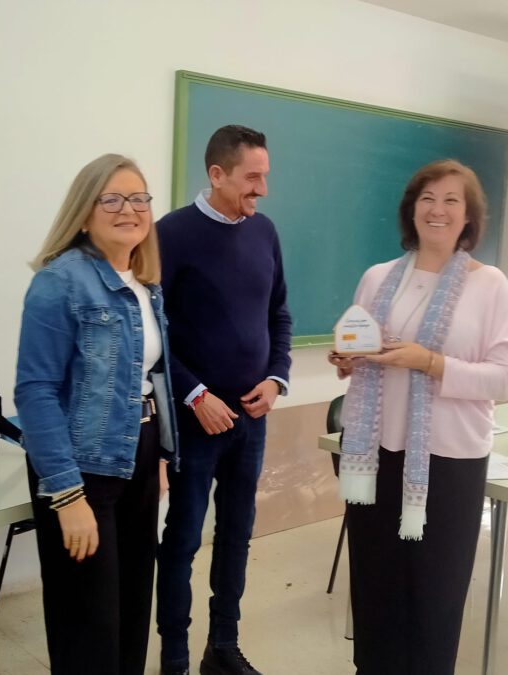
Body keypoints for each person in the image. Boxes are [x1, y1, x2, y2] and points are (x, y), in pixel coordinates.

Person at [329, 159, 508, 675]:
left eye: (451, 200)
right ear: (411, 210)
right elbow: (362, 352)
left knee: (435, 598)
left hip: (449, 461)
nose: (438, 209)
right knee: (375, 591)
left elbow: (505, 378)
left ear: (468, 216)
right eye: (427, 198)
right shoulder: (377, 278)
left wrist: (430, 363)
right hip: (375, 458)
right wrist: (348, 360)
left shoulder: (490, 285)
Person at [15, 153, 178, 675]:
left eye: (139, 198)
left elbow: (149, 379)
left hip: (138, 456)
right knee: (88, 624)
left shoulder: (144, 285)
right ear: (85, 213)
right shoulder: (60, 282)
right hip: (82, 467)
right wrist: (67, 495)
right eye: (112, 199)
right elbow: (35, 392)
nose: (128, 209)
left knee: (131, 609)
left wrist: (159, 457)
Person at [156, 125, 292, 675]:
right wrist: (195, 395)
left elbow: (279, 314)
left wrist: (277, 378)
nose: (262, 190)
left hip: (250, 420)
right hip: (196, 422)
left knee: (236, 536)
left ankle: (223, 648)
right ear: (217, 174)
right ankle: (174, 658)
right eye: (252, 177)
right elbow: (153, 332)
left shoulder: (265, 232)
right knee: (183, 540)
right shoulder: (171, 234)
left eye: (265, 176)